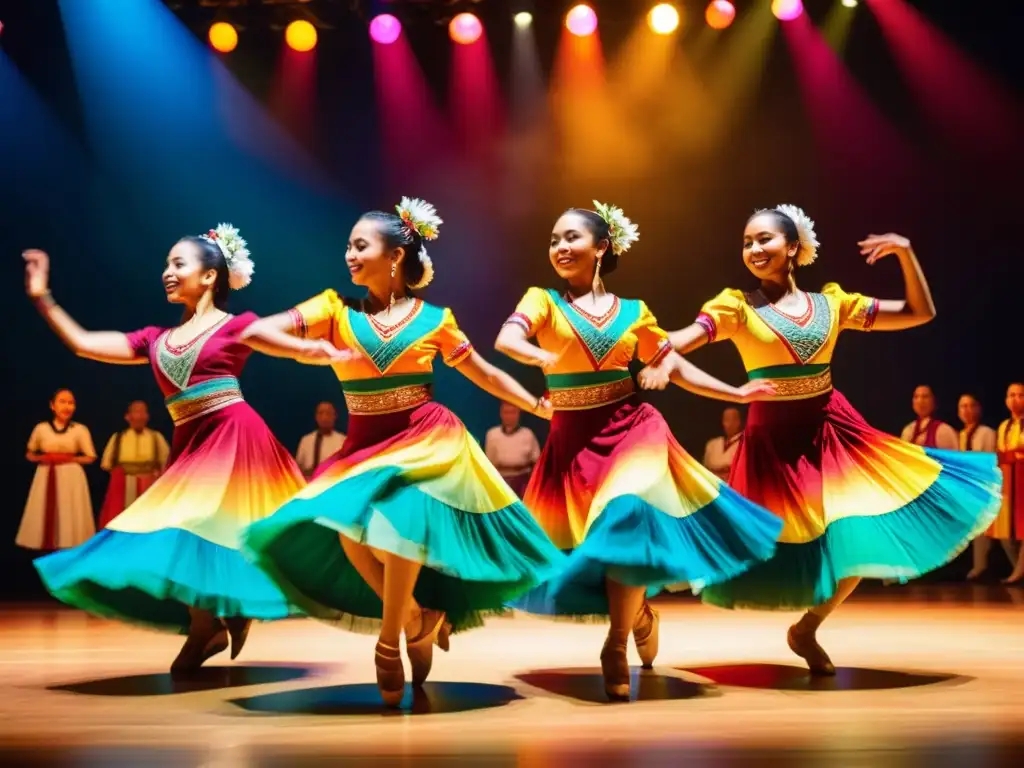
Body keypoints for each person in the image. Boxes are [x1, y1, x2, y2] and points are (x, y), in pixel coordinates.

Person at [641, 204, 1000, 675]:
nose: (754, 249)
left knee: (856, 535)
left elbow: (920, 312)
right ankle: (643, 598)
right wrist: (651, 345)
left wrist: (906, 254)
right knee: (742, 545)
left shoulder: (833, 304)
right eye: (747, 243)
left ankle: (807, 627)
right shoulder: (735, 306)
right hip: (773, 440)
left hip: (834, 431)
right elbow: (684, 337)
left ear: (793, 247)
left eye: (764, 239)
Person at [241, 198, 565, 707]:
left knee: (400, 527)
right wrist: (307, 349)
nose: (349, 254)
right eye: (348, 245)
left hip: (425, 438)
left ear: (394, 256)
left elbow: (483, 372)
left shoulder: (435, 319)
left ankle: (388, 643)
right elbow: (255, 332)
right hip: (364, 445)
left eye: (360, 245)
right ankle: (416, 617)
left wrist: (534, 403)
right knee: (349, 537)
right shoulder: (332, 310)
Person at [25, 224, 351, 672]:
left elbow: (296, 349)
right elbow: (83, 344)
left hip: (234, 435)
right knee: (186, 530)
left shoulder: (238, 327)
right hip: (191, 439)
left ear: (211, 276)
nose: (167, 272)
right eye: (166, 264)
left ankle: (215, 620)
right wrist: (43, 297)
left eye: (178, 264)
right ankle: (211, 623)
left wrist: (325, 351)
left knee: (203, 524)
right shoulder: (154, 339)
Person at [494, 201, 782, 701]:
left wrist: (734, 393)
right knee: (595, 546)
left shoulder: (635, 312)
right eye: (554, 239)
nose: (560, 247)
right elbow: (506, 337)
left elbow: (674, 364)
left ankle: (615, 643)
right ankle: (639, 610)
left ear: (601, 247)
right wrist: (535, 353)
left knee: (627, 509)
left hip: (632, 426)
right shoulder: (542, 300)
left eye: (571, 238)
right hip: (572, 440)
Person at [18, 388, 96, 550]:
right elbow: (30, 453)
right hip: (46, 472)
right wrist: (44, 458)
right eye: (62, 402)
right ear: (52, 406)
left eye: (71, 403)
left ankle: (69, 544)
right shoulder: (41, 429)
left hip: (71, 474)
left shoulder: (80, 430)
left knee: (69, 510)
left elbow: (90, 457)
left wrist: (68, 459)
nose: (67, 407)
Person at [957, 394, 1010, 580]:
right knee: (978, 531)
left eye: (971, 406)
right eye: (963, 406)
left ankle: (1012, 568)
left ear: (979, 409)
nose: (967, 410)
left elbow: (989, 463)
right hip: (970, 490)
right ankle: (979, 566)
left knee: (1003, 533)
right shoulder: (961, 435)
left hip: (987, 488)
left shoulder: (987, 432)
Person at [98, 400, 170, 528]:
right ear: (128, 416)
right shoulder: (118, 438)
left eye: (143, 412)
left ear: (147, 416)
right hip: (124, 488)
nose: (140, 416)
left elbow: (167, 464)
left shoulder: (156, 437)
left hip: (149, 488)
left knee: (147, 524)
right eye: (136, 412)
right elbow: (106, 464)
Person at [996, 383, 1024, 583]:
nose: (1015, 399)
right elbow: (1003, 454)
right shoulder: (1004, 426)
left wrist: (1013, 454)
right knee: (1005, 532)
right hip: (1008, 481)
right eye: (1011, 395)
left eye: (1020, 395)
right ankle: (1018, 570)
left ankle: (1018, 574)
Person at [484, 402, 541, 496]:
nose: (510, 416)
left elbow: (537, 463)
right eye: (506, 412)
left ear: (519, 414)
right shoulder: (492, 434)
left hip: (523, 484)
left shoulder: (527, 434)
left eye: (513, 412)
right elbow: (488, 465)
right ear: (501, 414)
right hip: (500, 483)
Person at [295, 401, 346, 479]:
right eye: (321, 413)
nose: (324, 417)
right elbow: (298, 469)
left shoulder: (343, 441)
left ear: (335, 416)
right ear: (316, 417)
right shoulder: (306, 440)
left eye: (328, 413)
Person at [901, 386, 957, 450]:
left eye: (925, 397)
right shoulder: (908, 430)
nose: (920, 401)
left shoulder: (944, 431)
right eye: (916, 397)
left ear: (934, 401)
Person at [703, 406, 744, 482]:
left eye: (733, 419)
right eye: (726, 420)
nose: (729, 424)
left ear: (739, 422)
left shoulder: (744, 445)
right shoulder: (712, 444)